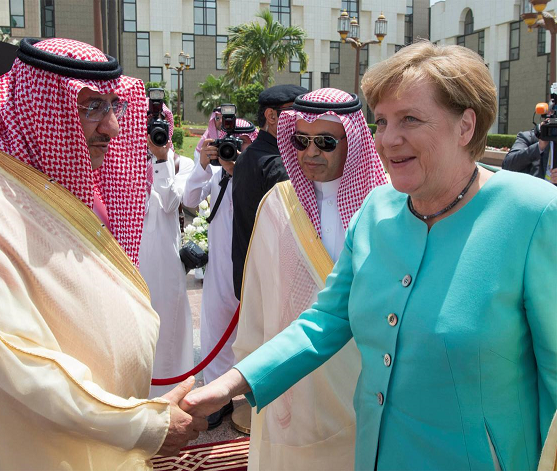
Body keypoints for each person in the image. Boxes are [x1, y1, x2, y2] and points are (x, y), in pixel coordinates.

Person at [183, 41, 557, 470]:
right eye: (380, 122)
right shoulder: (377, 210)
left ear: (465, 126)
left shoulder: (534, 213)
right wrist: (227, 385)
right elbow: (323, 322)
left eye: (410, 119)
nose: (388, 140)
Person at [0, 38, 206, 471]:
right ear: (41, 108)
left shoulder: (43, 185)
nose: (111, 127)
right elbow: (10, 355)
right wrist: (139, 425)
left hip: (81, 440)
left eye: (115, 105)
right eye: (91, 107)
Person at [232, 88, 387, 471]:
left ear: (353, 140)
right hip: (293, 378)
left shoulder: (385, 206)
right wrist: (252, 364)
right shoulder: (278, 202)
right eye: (300, 141)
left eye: (326, 142)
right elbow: (257, 295)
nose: (310, 153)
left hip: (359, 378)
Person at [182, 118, 258, 429]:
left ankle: (255, 395)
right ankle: (218, 400)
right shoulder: (213, 174)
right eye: (229, 143)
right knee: (214, 331)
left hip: (251, 270)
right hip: (218, 273)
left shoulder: (257, 173)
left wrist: (237, 170)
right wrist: (202, 164)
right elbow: (189, 200)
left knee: (254, 331)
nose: (233, 149)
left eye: (241, 143)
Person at [139, 102, 195, 398]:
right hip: (133, 257)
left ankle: (171, 391)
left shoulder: (179, 164)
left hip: (165, 259)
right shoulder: (124, 161)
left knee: (168, 324)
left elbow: (173, 202)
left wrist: (161, 160)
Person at [231, 84, 307, 299]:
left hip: (253, 277)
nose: (303, 120)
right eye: (296, 112)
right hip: (273, 283)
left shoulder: (250, 154)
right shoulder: (277, 164)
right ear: (271, 116)